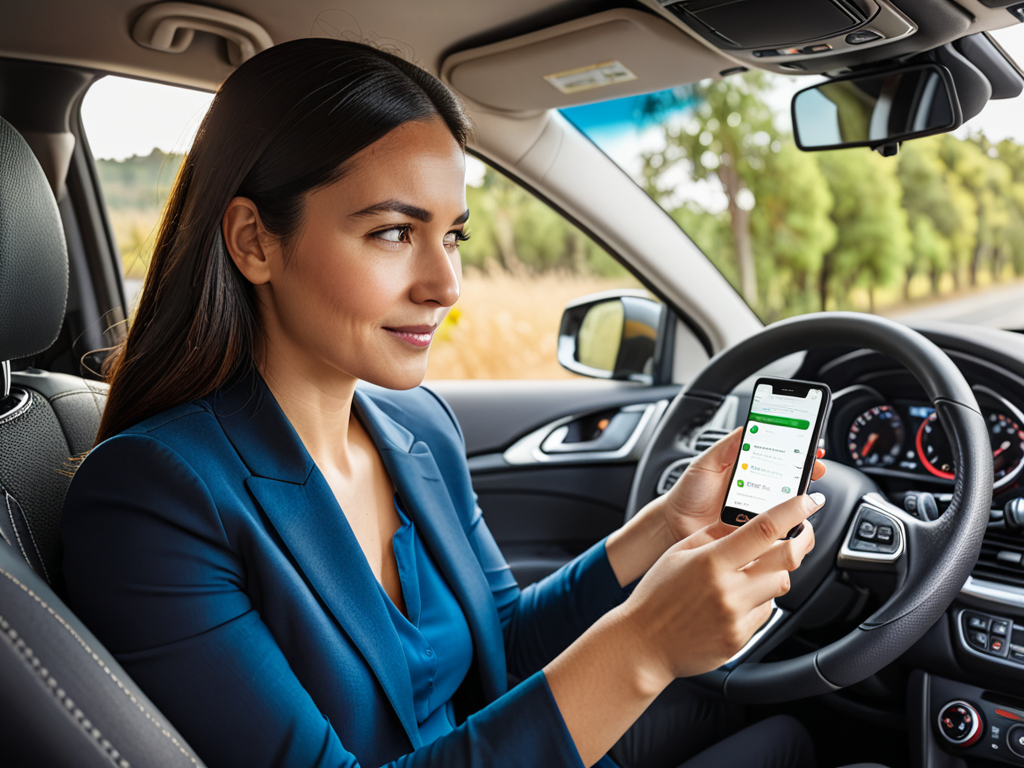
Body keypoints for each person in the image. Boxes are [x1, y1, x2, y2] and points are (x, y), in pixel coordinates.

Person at [60, 38, 826, 768]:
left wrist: (667, 525)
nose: (445, 286)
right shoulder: (153, 498)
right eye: (395, 233)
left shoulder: (417, 428)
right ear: (255, 241)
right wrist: (646, 645)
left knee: (791, 730)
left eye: (452, 235)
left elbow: (503, 646)